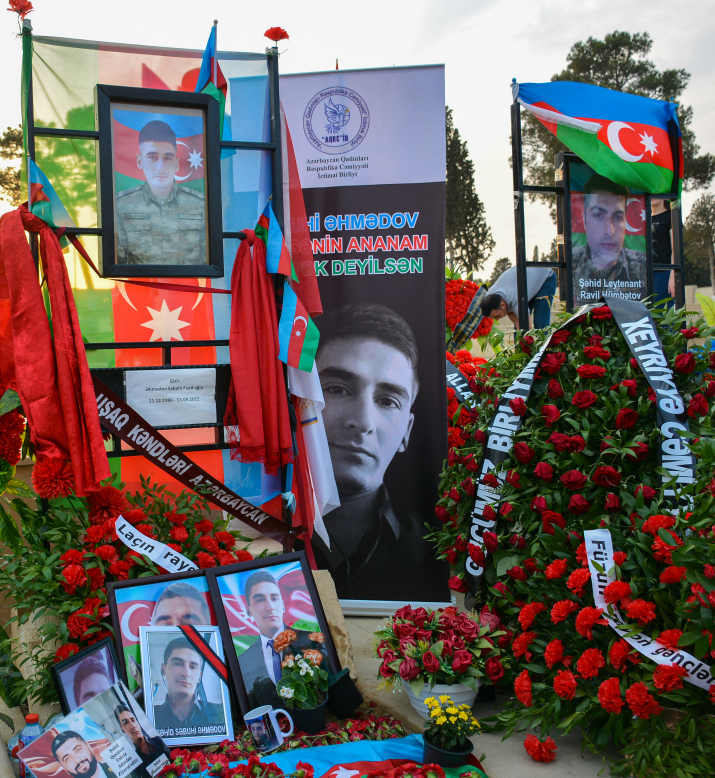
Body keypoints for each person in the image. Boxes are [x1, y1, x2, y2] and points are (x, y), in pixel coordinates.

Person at [306, 303, 449, 600]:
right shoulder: (260, 533)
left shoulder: (434, 551)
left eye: (387, 401)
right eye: (337, 389)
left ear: (407, 431)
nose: (363, 422)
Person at [115, 119, 207, 266]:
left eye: (167, 158)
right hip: (141, 282)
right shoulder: (121, 205)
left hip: (188, 282)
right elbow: (118, 265)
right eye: (152, 157)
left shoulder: (200, 205)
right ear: (139, 161)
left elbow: (206, 262)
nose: (160, 167)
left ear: (177, 163)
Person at [570, 176, 647, 301]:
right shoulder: (569, 263)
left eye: (618, 217)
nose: (610, 231)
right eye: (598, 215)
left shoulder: (643, 265)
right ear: (584, 220)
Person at [151, 637, 225, 733]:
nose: (186, 673)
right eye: (178, 664)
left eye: (193, 667)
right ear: (163, 669)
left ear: (199, 676)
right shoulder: (149, 716)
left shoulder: (220, 713)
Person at [235, 571, 287, 696]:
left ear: (283, 605)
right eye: (259, 600)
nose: (270, 607)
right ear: (248, 610)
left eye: (274, 598)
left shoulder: (312, 642)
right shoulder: (242, 661)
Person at [479, 266, 557, 330]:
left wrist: (528, 339)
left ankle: (544, 344)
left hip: (545, 278)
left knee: (540, 323)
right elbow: (511, 313)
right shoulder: (490, 298)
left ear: (502, 305)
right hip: (525, 284)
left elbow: (526, 328)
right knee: (519, 330)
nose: (497, 319)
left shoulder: (515, 298)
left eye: (497, 316)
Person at [115, 704, 168, 775]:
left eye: (133, 720)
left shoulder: (158, 741)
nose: (133, 726)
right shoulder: (134, 762)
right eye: (126, 722)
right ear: (122, 729)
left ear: (137, 722)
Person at [50, 731, 119, 778]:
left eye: (78, 749)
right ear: (64, 768)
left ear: (89, 747)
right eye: (67, 758)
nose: (77, 760)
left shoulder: (118, 766)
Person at [650, 198, 677, 306]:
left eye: (657, 192)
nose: (653, 196)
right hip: (646, 275)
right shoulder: (644, 219)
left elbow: (675, 249)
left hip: (664, 274)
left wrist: (673, 275)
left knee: (662, 313)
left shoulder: (671, 216)